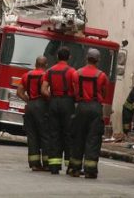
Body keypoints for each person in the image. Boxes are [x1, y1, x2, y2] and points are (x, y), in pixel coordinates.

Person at [69, 48, 110, 179]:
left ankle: (75, 169)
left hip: (81, 107)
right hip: (95, 108)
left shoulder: (76, 73)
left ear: (86, 58)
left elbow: (74, 91)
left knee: (78, 137)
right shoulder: (102, 76)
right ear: (98, 60)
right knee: (93, 139)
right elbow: (104, 93)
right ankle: (90, 171)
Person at [44, 47, 79, 175]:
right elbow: (76, 90)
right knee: (68, 134)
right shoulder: (72, 72)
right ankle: (70, 166)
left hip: (53, 102)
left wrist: (52, 98)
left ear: (57, 57)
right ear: (69, 57)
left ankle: (54, 166)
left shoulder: (49, 71)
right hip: (67, 103)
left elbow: (43, 89)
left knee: (54, 134)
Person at [17, 56, 51, 172]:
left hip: (30, 106)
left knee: (32, 136)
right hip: (42, 106)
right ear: (46, 65)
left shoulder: (26, 75)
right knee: (45, 135)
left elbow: (19, 92)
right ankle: (46, 164)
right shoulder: (46, 75)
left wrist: (29, 100)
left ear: (35, 64)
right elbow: (45, 92)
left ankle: (34, 164)